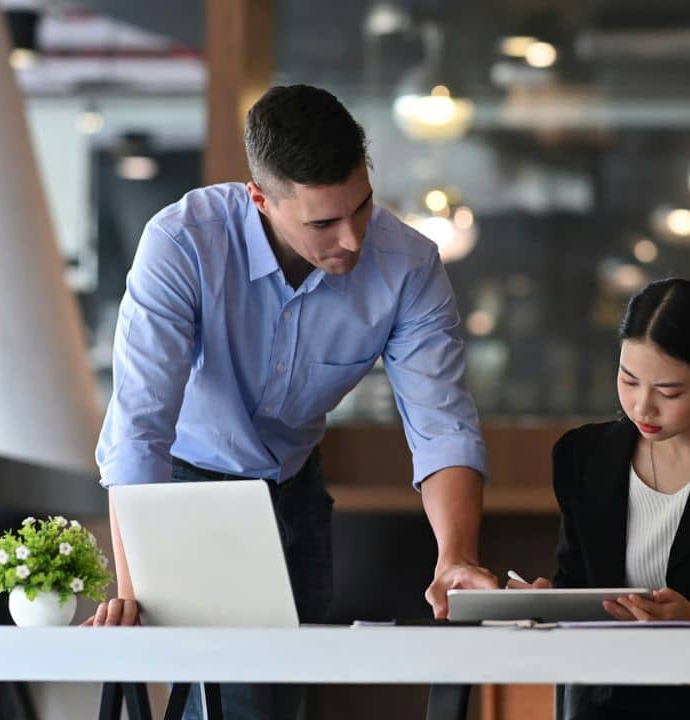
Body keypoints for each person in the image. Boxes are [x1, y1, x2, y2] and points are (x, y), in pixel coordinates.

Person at [88, 84, 497, 719]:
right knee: (205, 699)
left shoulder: (408, 266)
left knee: (275, 701)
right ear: (260, 200)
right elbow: (140, 427)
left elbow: (442, 425)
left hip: (292, 490)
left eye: (361, 208)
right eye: (323, 223)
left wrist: (455, 556)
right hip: (179, 490)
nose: (353, 239)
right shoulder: (183, 243)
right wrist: (136, 585)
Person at [510, 278, 690, 720]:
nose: (642, 408)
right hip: (611, 698)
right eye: (629, 381)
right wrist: (549, 599)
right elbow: (578, 578)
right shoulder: (582, 455)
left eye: (668, 392)